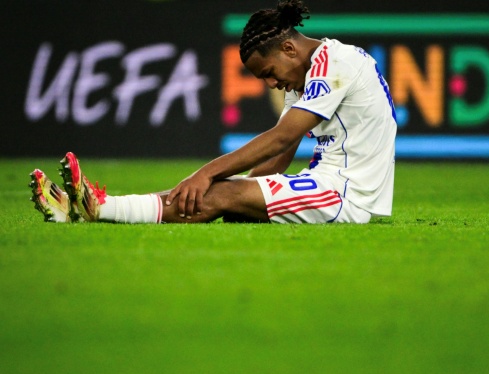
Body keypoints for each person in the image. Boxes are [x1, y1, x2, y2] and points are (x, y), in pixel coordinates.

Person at [29, 0, 397, 224]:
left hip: (346, 194)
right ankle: (84, 208)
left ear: (288, 49)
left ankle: (99, 207)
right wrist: (239, 192)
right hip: (327, 183)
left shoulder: (336, 63)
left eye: (269, 73)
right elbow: (279, 157)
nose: (272, 84)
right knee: (225, 194)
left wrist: (207, 175)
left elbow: (281, 138)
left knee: (221, 193)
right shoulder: (309, 75)